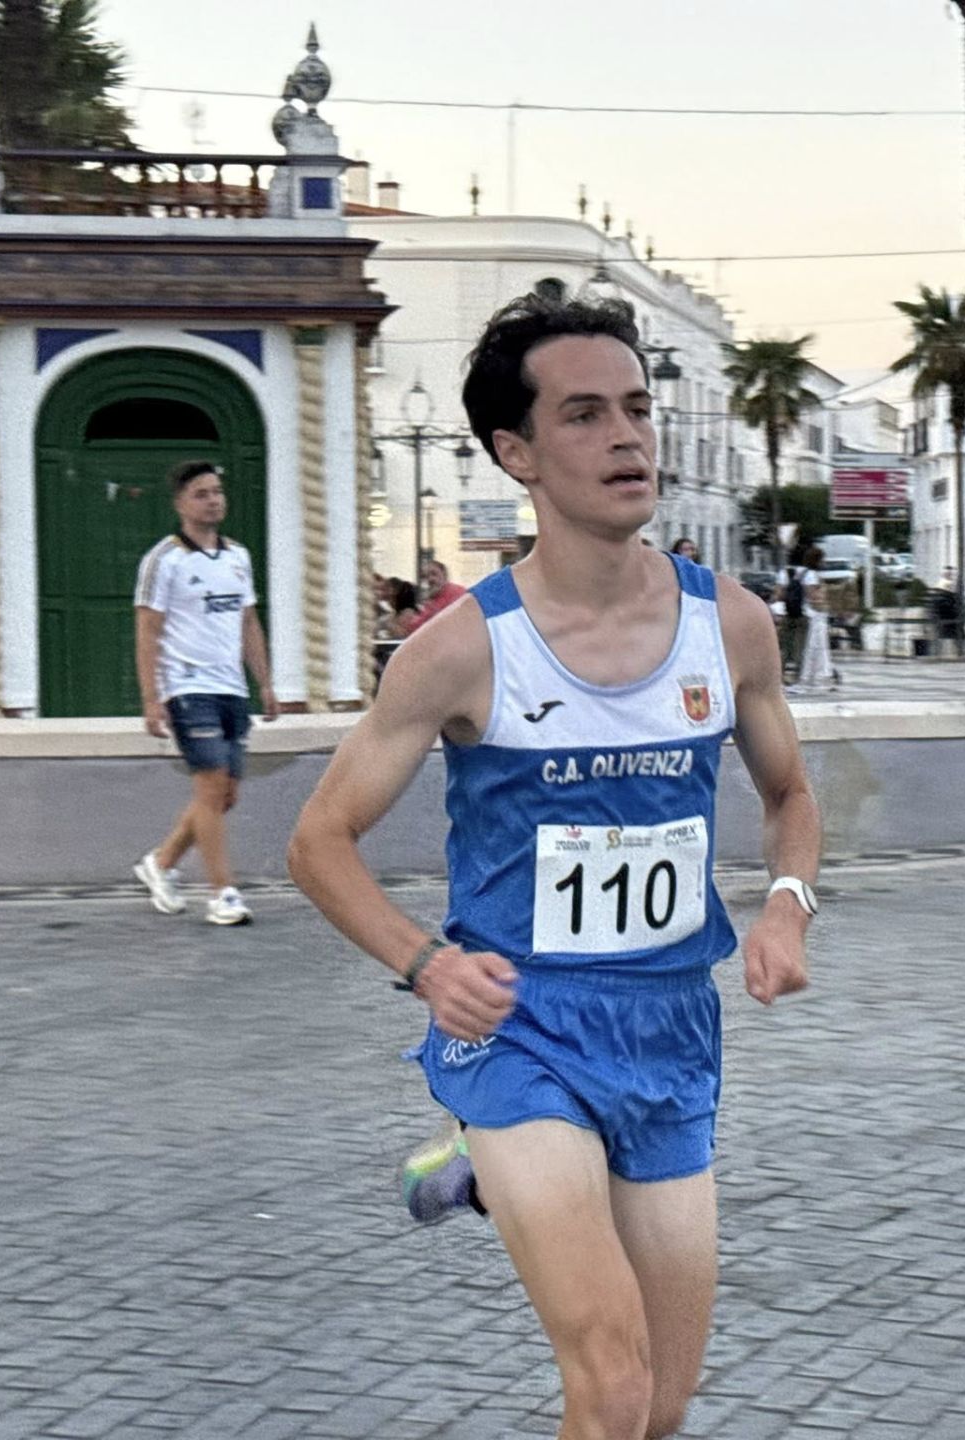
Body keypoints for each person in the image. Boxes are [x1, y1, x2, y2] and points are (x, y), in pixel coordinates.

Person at [287, 292, 819, 1440]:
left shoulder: (730, 625)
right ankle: (499, 1143)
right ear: (515, 453)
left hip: (668, 1029)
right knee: (611, 1383)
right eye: (584, 415)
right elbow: (318, 842)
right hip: (518, 1028)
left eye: (636, 408)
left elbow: (790, 796)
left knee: (659, 1409)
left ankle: (485, 1170)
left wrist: (785, 907)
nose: (627, 437)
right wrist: (427, 966)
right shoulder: (459, 650)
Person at [131, 460, 279, 925]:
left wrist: (265, 681)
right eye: (201, 493)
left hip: (230, 687)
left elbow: (248, 621)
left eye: (217, 491)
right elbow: (148, 630)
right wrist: (152, 698)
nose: (213, 500)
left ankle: (161, 863)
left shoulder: (238, 557)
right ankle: (223, 892)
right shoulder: (164, 560)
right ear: (180, 504)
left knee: (225, 795)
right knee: (211, 785)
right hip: (187, 685)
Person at [794, 547, 840, 691]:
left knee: (817, 647)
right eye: (822, 559)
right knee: (816, 647)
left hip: (814, 614)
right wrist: (824, 600)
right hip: (815, 615)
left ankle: (819, 676)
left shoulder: (805, 574)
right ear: (816, 560)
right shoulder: (812, 576)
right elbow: (813, 596)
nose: (824, 562)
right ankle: (816, 677)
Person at [405, 558, 469, 635]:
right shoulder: (434, 597)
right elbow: (415, 627)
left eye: (434, 574)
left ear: (444, 575)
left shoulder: (458, 593)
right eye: (426, 577)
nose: (430, 579)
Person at [776, 547, 811, 679]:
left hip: (787, 613)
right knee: (800, 646)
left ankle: (781, 674)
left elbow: (779, 595)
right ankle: (798, 674)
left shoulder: (784, 573)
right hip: (803, 614)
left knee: (784, 645)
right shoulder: (808, 574)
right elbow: (810, 595)